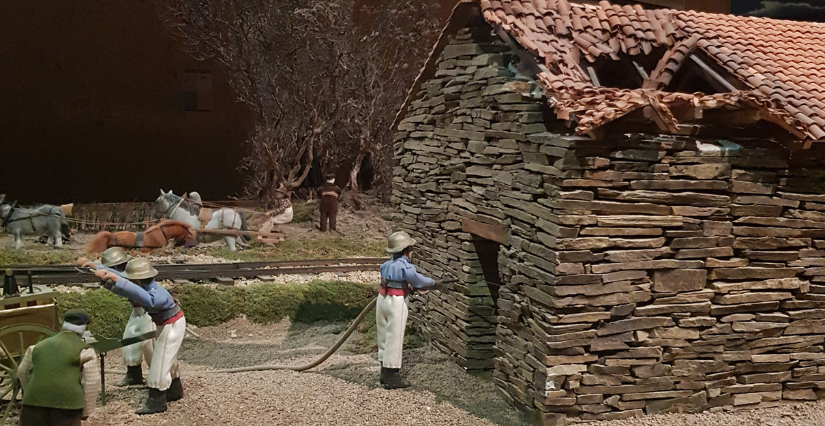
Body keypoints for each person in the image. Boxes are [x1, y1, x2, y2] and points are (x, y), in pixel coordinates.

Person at [94, 258, 185, 414]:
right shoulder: (149, 288)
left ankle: (157, 401)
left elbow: (137, 293)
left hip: (172, 325)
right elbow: (128, 286)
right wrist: (101, 271)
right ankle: (174, 390)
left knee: (160, 361)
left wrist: (115, 279)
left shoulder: (157, 295)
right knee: (164, 357)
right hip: (164, 323)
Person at [76, 247, 156, 386]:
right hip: (137, 311)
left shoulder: (134, 274)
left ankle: (157, 379)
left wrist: (97, 267)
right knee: (129, 341)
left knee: (149, 346)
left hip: (149, 312)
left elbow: (122, 278)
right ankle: (133, 375)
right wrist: (94, 266)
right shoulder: (123, 273)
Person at [18, 309, 100, 426]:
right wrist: (86, 410)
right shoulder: (85, 351)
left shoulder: (36, 347)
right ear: (83, 328)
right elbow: (91, 381)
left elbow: (22, 372)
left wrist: (32, 392)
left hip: (32, 406)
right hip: (67, 408)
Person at [377, 230, 436, 389]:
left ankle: (384, 371)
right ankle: (392, 376)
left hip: (382, 299)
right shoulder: (405, 266)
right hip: (396, 300)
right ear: (405, 250)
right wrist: (433, 283)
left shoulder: (385, 265)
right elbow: (418, 281)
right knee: (395, 336)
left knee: (383, 335)